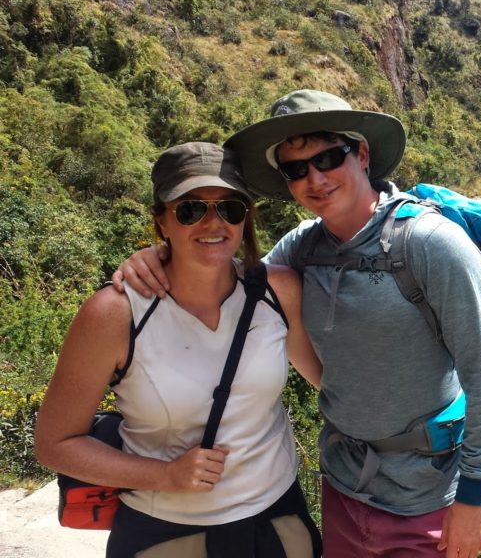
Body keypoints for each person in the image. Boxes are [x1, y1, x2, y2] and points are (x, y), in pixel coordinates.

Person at [114, 91, 481, 558]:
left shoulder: (429, 244)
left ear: (362, 154)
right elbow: (225, 279)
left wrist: (474, 500)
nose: (315, 178)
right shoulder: (303, 247)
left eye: (328, 158)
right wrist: (158, 255)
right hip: (343, 488)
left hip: (425, 496)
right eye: (296, 169)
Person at [36, 142, 324, 557]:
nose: (214, 222)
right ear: (162, 222)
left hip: (277, 521)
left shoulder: (278, 292)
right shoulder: (116, 314)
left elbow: (331, 383)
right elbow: (54, 443)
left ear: (246, 219)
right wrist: (165, 475)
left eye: (230, 208)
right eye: (191, 209)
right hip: (167, 533)